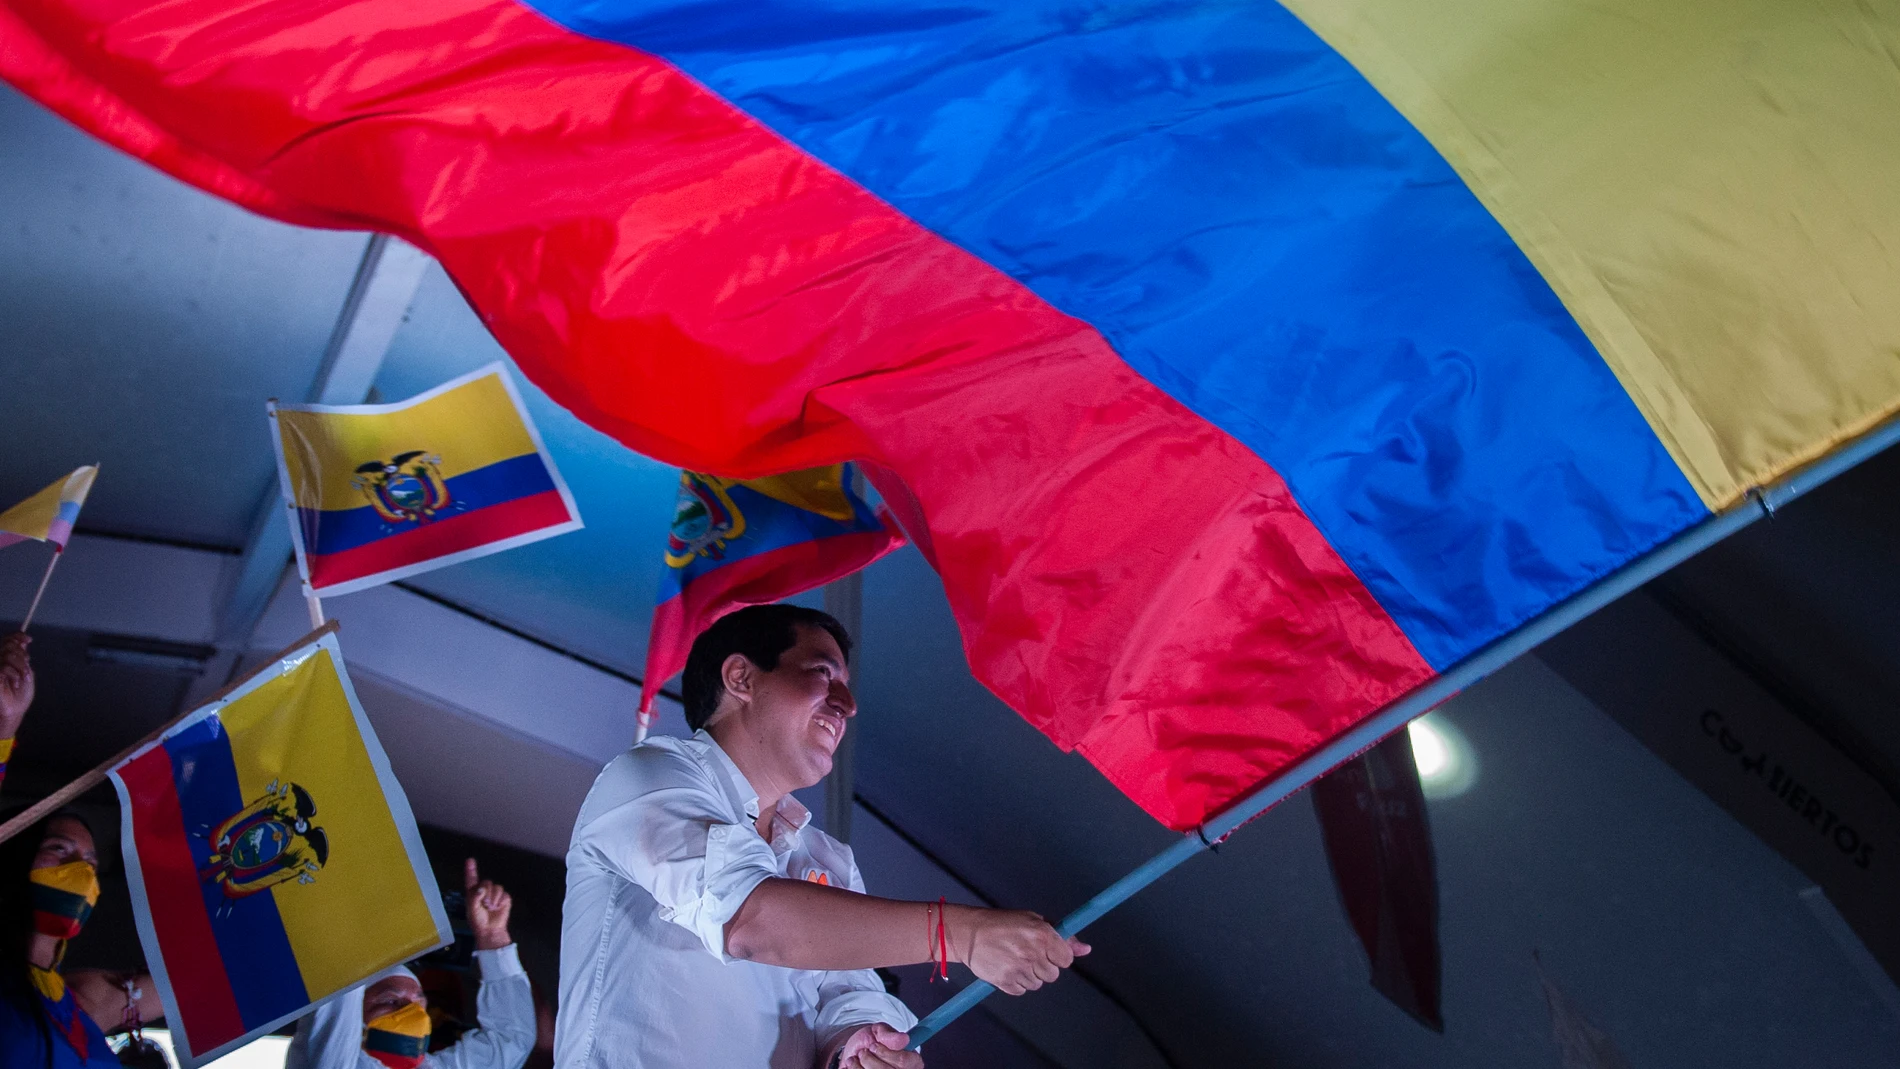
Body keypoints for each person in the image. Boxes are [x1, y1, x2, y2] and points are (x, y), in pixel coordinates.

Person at [556, 604, 1089, 1069]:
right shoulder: (645, 778)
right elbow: (751, 919)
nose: (847, 704)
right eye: (821, 673)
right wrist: (961, 933)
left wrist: (858, 1046)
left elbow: (849, 997)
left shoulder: (826, 859)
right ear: (741, 677)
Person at [287, 858, 535, 1069]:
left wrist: (492, 936)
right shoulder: (332, 1059)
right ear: (355, 1016)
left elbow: (511, 1039)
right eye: (391, 1001)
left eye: (419, 1001)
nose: (411, 1012)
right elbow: (340, 983)